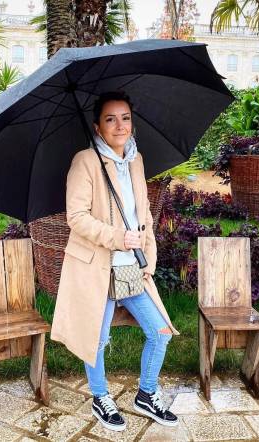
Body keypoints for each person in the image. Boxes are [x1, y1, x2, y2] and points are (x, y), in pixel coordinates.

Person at [51, 91, 179, 432]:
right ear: (97, 126)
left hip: (131, 266)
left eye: (125, 118)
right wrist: (118, 237)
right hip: (98, 266)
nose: (119, 125)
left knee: (160, 331)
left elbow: (143, 214)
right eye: (110, 119)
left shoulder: (136, 160)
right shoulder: (85, 161)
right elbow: (76, 217)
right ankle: (100, 396)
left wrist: (148, 258)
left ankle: (146, 394)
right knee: (97, 337)